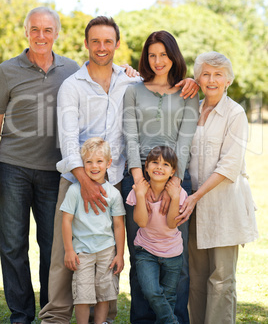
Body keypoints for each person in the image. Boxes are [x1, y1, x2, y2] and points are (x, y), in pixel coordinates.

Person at [39, 18, 198, 324]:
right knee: (79, 254)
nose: (101, 47)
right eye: (95, 41)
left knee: (135, 253)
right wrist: (99, 182)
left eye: (108, 41)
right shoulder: (79, 86)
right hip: (88, 179)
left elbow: (181, 135)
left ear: (117, 44)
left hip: (130, 181)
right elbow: (74, 140)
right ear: (86, 43)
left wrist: (170, 185)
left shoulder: (132, 81)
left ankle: (117, 317)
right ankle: (58, 318)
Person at [0, 7, 80, 324]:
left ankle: (51, 312)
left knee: (52, 247)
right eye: (35, 29)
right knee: (11, 245)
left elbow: (103, 77)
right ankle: (21, 314)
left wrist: (130, 72)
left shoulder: (71, 70)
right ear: (26, 32)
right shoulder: (6, 71)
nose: (41, 36)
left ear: (56, 34)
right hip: (11, 168)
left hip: (54, 172)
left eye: (47, 30)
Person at [122, 30, 199, 323]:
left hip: (176, 179)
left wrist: (173, 184)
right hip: (138, 178)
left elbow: (185, 140)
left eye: (163, 55)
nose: (157, 61)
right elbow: (130, 136)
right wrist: (138, 180)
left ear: (173, 56)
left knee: (175, 260)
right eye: (152, 55)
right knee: (141, 256)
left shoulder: (188, 92)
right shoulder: (133, 90)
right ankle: (142, 319)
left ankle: (175, 318)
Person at [176, 51, 259, 324]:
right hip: (194, 207)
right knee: (197, 278)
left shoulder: (235, 113)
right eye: (206, 73)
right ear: (198, 78)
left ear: (228, 80)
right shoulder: (192, 107)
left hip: (224, 205)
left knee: (222, 279)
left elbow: (229, 165)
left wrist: (195, 195)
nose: (212, 79)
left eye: (218, 74)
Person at [61, 137, 125, 324]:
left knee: (104, 293)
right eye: (88, 162)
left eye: (99, 161)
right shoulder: (74, 190)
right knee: (83, 294)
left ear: (108, 163)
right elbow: (66, 220)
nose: (94, 166)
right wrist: (69, 250)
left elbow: (119, 225)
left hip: (106, 250)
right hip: (82, 251)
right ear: (83, 164)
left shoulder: (113, 193)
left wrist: (119, 254)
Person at [126, 146, 188, 324]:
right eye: (155, 162)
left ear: (172, 171)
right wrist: (140, 194)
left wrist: (175, 197)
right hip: (146, 251)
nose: (159, 167)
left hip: (173, 254)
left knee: (168, 297)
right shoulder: (138, 191)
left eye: (165, 164)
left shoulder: (179, 193)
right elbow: (142, 222)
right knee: (151, 291)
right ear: (146, 167)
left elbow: (171, 223)